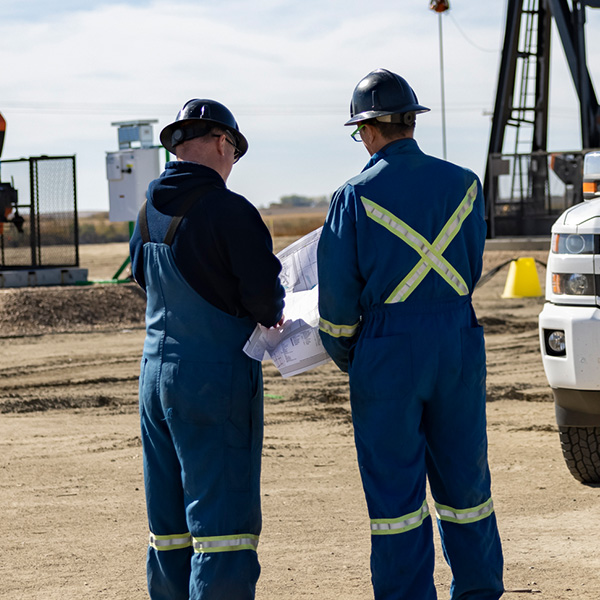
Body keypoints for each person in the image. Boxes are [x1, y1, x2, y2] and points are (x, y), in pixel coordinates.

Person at [317, 69, 504, 600]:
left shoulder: (352, 195)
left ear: (370, 129)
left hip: (386, 353)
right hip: (457, 343)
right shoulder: (465, 183)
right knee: (467, 485)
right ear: (409, 122)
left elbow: (335, 308)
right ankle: (479, 590)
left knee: (396, 499)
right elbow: (469, 263)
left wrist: (351, 352)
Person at [129, 98, 285, 600]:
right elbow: (265, 297)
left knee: (169, 525)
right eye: (234, 153)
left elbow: (140, 276)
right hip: (212, 379)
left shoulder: (148, 207)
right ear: (223, 142)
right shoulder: (229, 209)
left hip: (154, 377)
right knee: (224, 526)